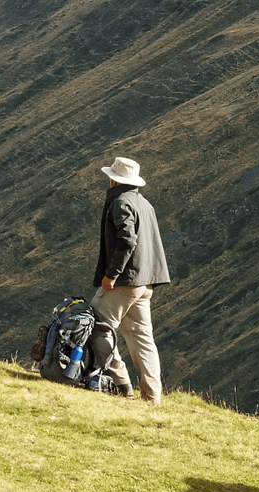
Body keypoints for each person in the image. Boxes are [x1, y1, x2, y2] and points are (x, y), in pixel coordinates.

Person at [89, 157, 172, 404]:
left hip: (124, 281)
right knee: (142, 339)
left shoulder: (120, 202)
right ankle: (152, 397)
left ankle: (120, 383)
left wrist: (111, 274)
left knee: (96, 325)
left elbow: (127, 241)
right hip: (145, 282)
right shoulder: (144, 204)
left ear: (114, 179)